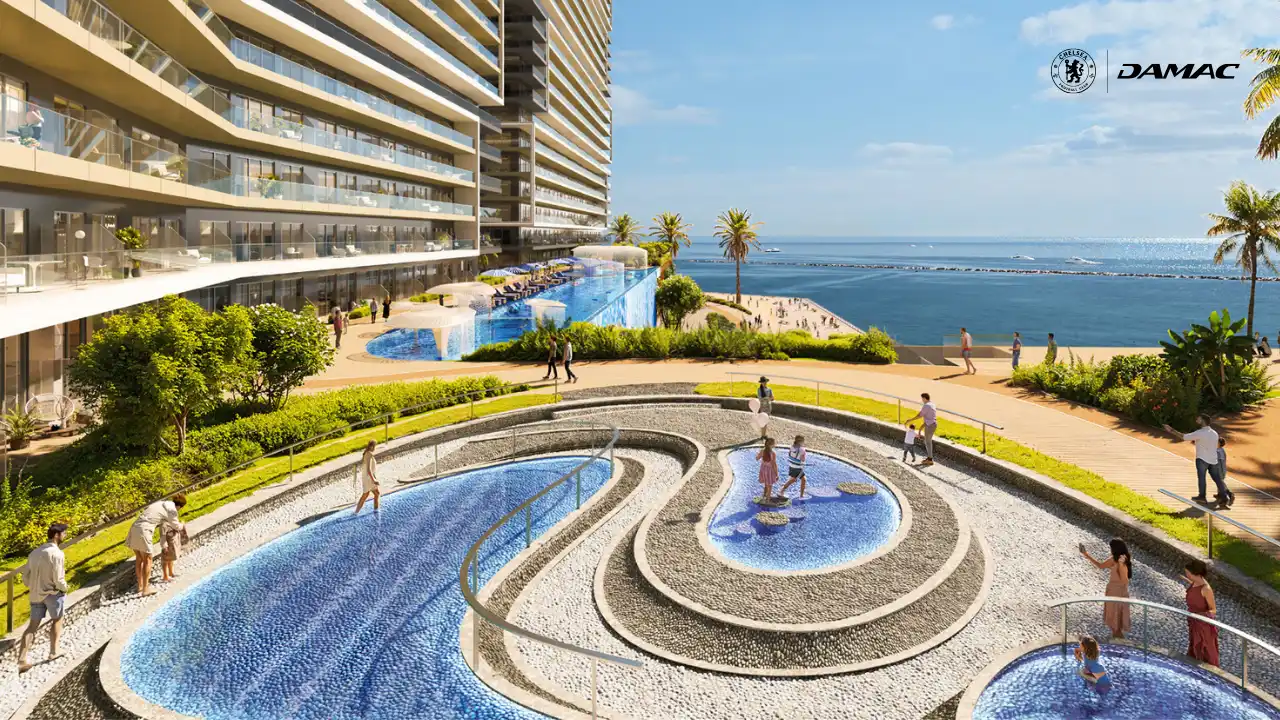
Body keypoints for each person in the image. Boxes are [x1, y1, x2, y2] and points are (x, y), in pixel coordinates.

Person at [18, 523, 68, 673]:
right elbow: (58, 579)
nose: (65, 535)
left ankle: (22, 659)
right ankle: (54, 652)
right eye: (64, 533)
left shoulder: (34, 553)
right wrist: (65, 588)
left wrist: (33, 586)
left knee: (32, 626)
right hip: (52, 593)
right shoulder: (57, 554)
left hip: (36, 594)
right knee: (57, 619)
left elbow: (25, 576)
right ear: (56, 535)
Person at [1162, 416, 1232, 509]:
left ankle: (1202, 496)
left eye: (1198, 419)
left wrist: (1171, 430)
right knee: (1217, 479)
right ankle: (1224, 497)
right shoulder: (1214, 433)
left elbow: (1183, 437)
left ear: (1203, 421)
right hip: (1213, 459)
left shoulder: (1200, 432)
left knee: (1202, 478)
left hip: (1202, 459)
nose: (1196, 420)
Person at [126, 494, 186, 596]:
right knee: (148, 559)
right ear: (179, 506)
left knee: (139, 558)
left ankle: (140, 586)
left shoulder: (160, 503)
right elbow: (176, 526)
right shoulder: (172, 510)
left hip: (135, 527)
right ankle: (145, 590)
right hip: (144, 530)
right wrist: (182, 524)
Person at [1080, 539, 1131, 639]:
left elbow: (1125, 580)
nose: (1110, 550)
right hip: (1112, 590)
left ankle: (1118, 641)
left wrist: (1121, 565)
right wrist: (1086, 554)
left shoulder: (1122, 562)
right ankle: (1117, 640)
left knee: (1116, 620)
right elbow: (1100, 565)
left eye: (1111, 548)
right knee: (1113, 619)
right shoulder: (1114, 559)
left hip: (1118, 592)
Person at [1183, 559, 1219, 666]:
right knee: (1194, 648)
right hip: (1194, 623)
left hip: (1203, 627)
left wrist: (1199, 616)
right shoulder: (1195, 582)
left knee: (1205, 651)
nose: (1187, 575)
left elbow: (1213, 610)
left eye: (1188, 573)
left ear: (1196, 574)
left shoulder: (1206, 589)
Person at [904, 393, 938, 466]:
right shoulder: (932, 404)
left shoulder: (926, 405)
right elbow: (929, 417)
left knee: (928, 442)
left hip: (930, 426)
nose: (922, 400)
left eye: (922, 399)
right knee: (927, 441)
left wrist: (910, 420)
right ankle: (929, 458)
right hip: (932, 424)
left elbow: (920, 415)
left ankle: (930, 460)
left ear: (925, 398)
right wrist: (920, 429)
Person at [355, 440, 380, 515]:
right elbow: (368, 469)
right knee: (366, 494)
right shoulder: (369, 454)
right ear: (372, 446)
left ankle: (376, 510)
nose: (375, 448)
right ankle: (356, 512)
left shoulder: (367, 453)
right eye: (375, 446)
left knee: (376, 493)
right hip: (369, 478)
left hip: (368, 477)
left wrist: (374, 478)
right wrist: (374, 480)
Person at [160, 517, 188, 583]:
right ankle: (165, 576)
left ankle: (170, 573)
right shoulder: (164, 524)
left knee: (171, 558)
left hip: (172, 543)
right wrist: (164, 546)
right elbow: (162, 537)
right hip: (167, 543)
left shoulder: (172, 521)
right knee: (165, 560)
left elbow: (177, 527)